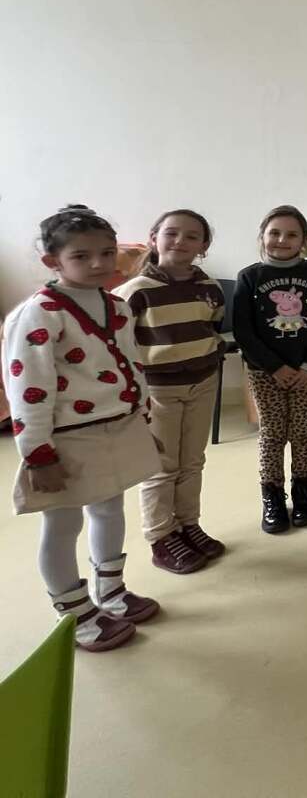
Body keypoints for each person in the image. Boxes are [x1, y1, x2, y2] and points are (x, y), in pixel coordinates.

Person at [2, 205, 162, 652]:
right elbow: (27, 389)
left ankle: (110, 590)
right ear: (52, 261)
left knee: (109, 510)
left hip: (117, 427)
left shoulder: (117, 306)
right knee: (63, 522)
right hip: (66, 438)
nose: (98, 264)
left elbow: (131, 363)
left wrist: (142, 414)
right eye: (81, 256)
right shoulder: (38, 315)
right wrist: (38, 455)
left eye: (107, 253)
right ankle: (73, 612)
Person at [116, 209, 226, 575]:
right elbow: (119, 345)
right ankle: (161, 535)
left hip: (202, 383)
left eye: (192, 236)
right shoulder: (135, 292)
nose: (180, 241)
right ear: (154, 238)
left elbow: (212, 327)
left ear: (204, 246)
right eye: (172, 233)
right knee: (162, 466)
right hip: (158, 390)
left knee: (193, 460)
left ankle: (188, 524)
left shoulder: (209, 288)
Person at [233, 205, 307, 534]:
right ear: (262, 236)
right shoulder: (249, 276)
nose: (282, 239)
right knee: (272, 435)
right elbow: (243, 330)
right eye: (275, 233)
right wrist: (274, 367)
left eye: (292, 234)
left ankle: (303, 492)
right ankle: (273, 497)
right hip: (265, 373)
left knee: (304, 433)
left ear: (303, 240)